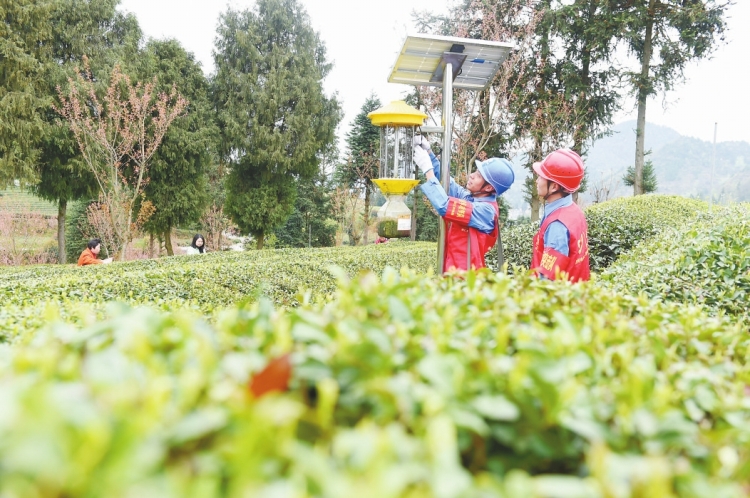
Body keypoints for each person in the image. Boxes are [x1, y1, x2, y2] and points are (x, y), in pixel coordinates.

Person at [412, 137, 514, 272]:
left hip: (466, 279)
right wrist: (429, 153)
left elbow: (445, 206)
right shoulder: (473, 199)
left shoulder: (486, 211)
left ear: (488, 188)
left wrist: (427, 169)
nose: (471, 175)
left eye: (478, 176)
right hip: (454, 271)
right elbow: (448, 183)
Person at [531, 148, 590, 282]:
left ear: (554, 187)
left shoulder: (557, 225)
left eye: (541, 177)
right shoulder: (574, 211)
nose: (537, 181)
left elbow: (548, 280)